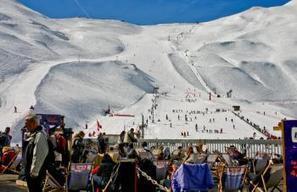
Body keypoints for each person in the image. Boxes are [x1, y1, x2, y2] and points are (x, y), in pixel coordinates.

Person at [23, 113, 49, 192]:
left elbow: (39, 154)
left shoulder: (39, 136)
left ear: (34, 123)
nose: (26, 126)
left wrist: (34, 171)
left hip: (35, 173)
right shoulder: (33, 135)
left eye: (27, 124)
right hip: (32, 172)